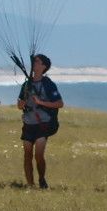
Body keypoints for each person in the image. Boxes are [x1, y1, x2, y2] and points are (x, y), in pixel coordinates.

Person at [16, 53, 63, 189]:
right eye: (34, 61)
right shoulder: (26, 84)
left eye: (37, 61)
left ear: (43, 66)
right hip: (28, 123)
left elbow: (59, 103)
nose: (34, 64)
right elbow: (19, 105)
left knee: (38, 155)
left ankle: (41, 179)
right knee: (27, 155)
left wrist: (40, 102)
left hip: (43, 124)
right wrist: (22, 103)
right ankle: (30, 185)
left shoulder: (48, 84)